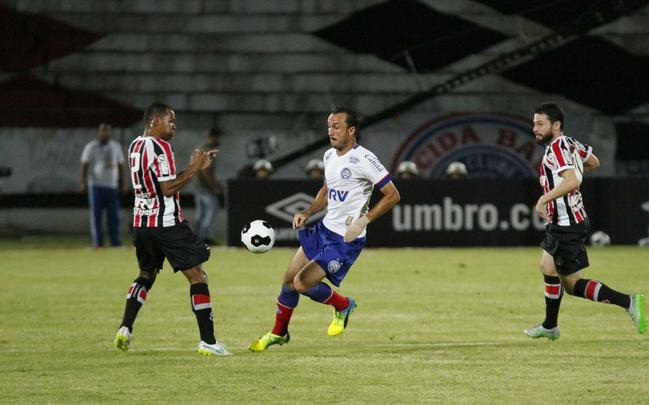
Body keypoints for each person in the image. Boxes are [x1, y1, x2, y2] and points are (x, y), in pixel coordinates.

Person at [248, 107, 401, 352]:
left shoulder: (365, 159)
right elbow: (327, 190)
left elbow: (393, 195)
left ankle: (343, 306)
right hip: (323, 229)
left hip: (345, 240)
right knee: (288, 280)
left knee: (302, 283)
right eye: (329, 126)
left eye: (337, 126)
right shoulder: (329, 156)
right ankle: (279, 333)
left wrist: (363, 222)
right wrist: (307, 213)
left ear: (351, 130)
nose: (331, 131)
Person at [113, 102, 231, 356]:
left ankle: (125, 327)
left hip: (142, 223)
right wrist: (195, 169)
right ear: (155, 122)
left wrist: (192, 169)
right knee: (197, 276)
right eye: (170, 121)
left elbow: (160, 181)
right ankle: (208, 342)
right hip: (166, 223)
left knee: (146, 274)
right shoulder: (161, 146)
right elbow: (167, 189)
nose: (174, 126)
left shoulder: (135, 145)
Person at [525, 102, 646, 340]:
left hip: (566, 223)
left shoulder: (557, 147)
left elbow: (572, 181)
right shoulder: (570, 143)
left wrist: (543, 199)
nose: (535, 129)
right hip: (569, 220)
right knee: (552, 271)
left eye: (540, 124)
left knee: (566, 281)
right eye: (534, 124)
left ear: (556, 125)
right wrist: (573, 174)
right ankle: (550, 326)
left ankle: (628, 302)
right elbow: (594, 162)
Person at [80, 123, 126, 247]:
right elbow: (84, 164)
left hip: (112, 186)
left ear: (110, 133)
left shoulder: (115, 146)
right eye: (102, 131)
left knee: (114, 216)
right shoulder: (91, 147)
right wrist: (83, 182)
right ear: (98, 132)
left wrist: (123, 183)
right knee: (96, 216)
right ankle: (98, 243)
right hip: (96, 186)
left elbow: (121, 165)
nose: (105, 133)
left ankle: (115, 242)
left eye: (107, 131)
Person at [193, 128, 225, 246]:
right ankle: (207, 238)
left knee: (200, 214)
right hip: (205, 186)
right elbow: (206, 171)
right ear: (213, 137)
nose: (220, 140)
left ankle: (198, 238)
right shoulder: (207, 150)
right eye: (218, 137)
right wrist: (214, 186)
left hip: (198, 185)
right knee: (210, 210)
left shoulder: (200, 148)